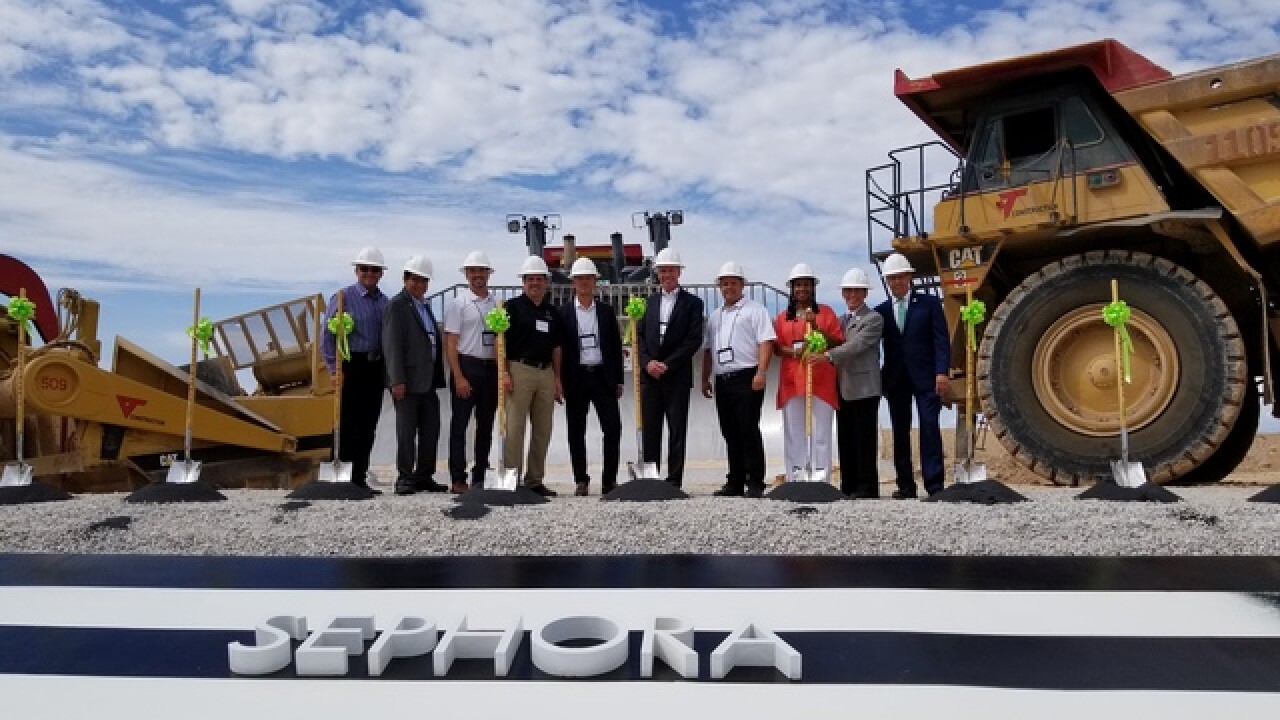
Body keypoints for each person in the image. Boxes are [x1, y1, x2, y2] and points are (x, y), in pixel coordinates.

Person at [876, 252, 950, 498]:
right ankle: (906, 485)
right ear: (887, 281)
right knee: (900, 432)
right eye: (892, 278)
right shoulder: (881, 312)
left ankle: (935, 485)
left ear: (909, 277)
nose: (896, 282)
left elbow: (941, 340)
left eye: (901, 277)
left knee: (929, 427)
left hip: (927, 378)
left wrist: (942, 372)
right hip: (896, 380)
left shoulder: (929, 304)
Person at [700, 261, 776, 498]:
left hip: (747, 375)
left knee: (748, 428)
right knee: (729, 431)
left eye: (733, 283)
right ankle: (735, 480)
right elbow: (708, 349)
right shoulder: (715, 316)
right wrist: (705, 378)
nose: (729, 287)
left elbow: (766, 342)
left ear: (742, 285)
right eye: (724, 284)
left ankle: (755, 481)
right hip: (723, 378)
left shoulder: (756, 310)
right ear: (719, 287)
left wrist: (761, 372)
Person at [321, 246, 391, 495]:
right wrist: (333, 368)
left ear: (381, 273)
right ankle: (340, 479)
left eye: (374, 270)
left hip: (375, 367)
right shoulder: (343, 298)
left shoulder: (385, 302)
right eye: (364, 269)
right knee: (347, 422)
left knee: (368, 425)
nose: (369, 273)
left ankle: (359, 480)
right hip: (351, 365)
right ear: (356, 271)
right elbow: (327, 337)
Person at [809, 268, 883, 497]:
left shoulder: (873, 319)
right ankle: (849, 486)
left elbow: (856, 346)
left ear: (865, 293)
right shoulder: (841, 320)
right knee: (846, 438)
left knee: (864, 440)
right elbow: (832, 340)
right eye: (848, 291)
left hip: (865, 388)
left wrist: (827, 356)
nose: (852, 295)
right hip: (842, 387)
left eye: (857, 291)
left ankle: (867, 488)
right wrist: (815, 328)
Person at [637, 248, 704, 489]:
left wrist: (668, 364)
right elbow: (639, 337)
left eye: (670, 270)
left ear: (679, 273)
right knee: (651, 428)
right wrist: (647, 363)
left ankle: (674, 480)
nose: (666, 275)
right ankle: (651, 477)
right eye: (662, 271)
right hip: (650, 376)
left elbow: (693, 339)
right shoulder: (649, 303)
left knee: (677, 429)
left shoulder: (693, 304)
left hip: (676, 376)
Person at [382, 255, 447, 495]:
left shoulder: (424, 307)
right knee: (406, 432)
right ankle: (405, 477)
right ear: (405, 279)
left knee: (431, 430)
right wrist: (397, 379)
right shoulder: (397, 306)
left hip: (427, 382)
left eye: (423, 280)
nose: (419, 285)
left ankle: (424, 476)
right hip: (407, 382)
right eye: (415, 280)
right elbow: (393, 345)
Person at [558, 257, 624, 496]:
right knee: (576, 431)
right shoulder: (563, 313)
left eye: (588, 278)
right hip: (576, 379)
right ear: (573, 282)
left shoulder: (606, 312)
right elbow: (559, 349)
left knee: (613, 428)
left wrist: (618, 380)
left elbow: (615, 347)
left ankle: (609, 480)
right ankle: (581, 480)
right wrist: (559, 380)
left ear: (595, 281)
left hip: (602, 377)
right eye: (579, 278)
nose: (584, 282)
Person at [774, 263, 843, 483]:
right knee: (794, 431)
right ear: (792, 289)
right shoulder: (783, 317)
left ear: (813, 288)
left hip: (821, 380)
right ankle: (796, 477)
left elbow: (837, 342)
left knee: (820, 431)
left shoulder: (826, 312)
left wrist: (816, 327)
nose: (802, 289)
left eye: (806, 284)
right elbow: (776, 347)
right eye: (798, 285)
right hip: (792, 381)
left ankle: (820, 479)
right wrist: (795, 352)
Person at [502, 255, 563, 497]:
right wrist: (504, 372)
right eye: (530, 279)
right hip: (519, 370)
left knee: (543, 429)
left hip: (546, 372)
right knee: (515, 427)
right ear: (523, 282)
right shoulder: (511, 307)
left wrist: (557, 378)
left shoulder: (552, 312)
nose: (535, 283)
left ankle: (535, 480)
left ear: (546, 282)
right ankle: (511, 479)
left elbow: (557, 347)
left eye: (539, 279)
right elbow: (500, 342)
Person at [443, 250, 499, 494]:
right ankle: (458, 477)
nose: (478, 275)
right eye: (473, 271)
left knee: (486, 425)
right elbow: (451, 342)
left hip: (490, 369)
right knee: (460, 425)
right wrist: (458, 376)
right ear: (466, 274)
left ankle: (480, 475)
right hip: (467, 366)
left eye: (482, 271)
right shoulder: (459, 304)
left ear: (488, 274)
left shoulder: (497, 304)